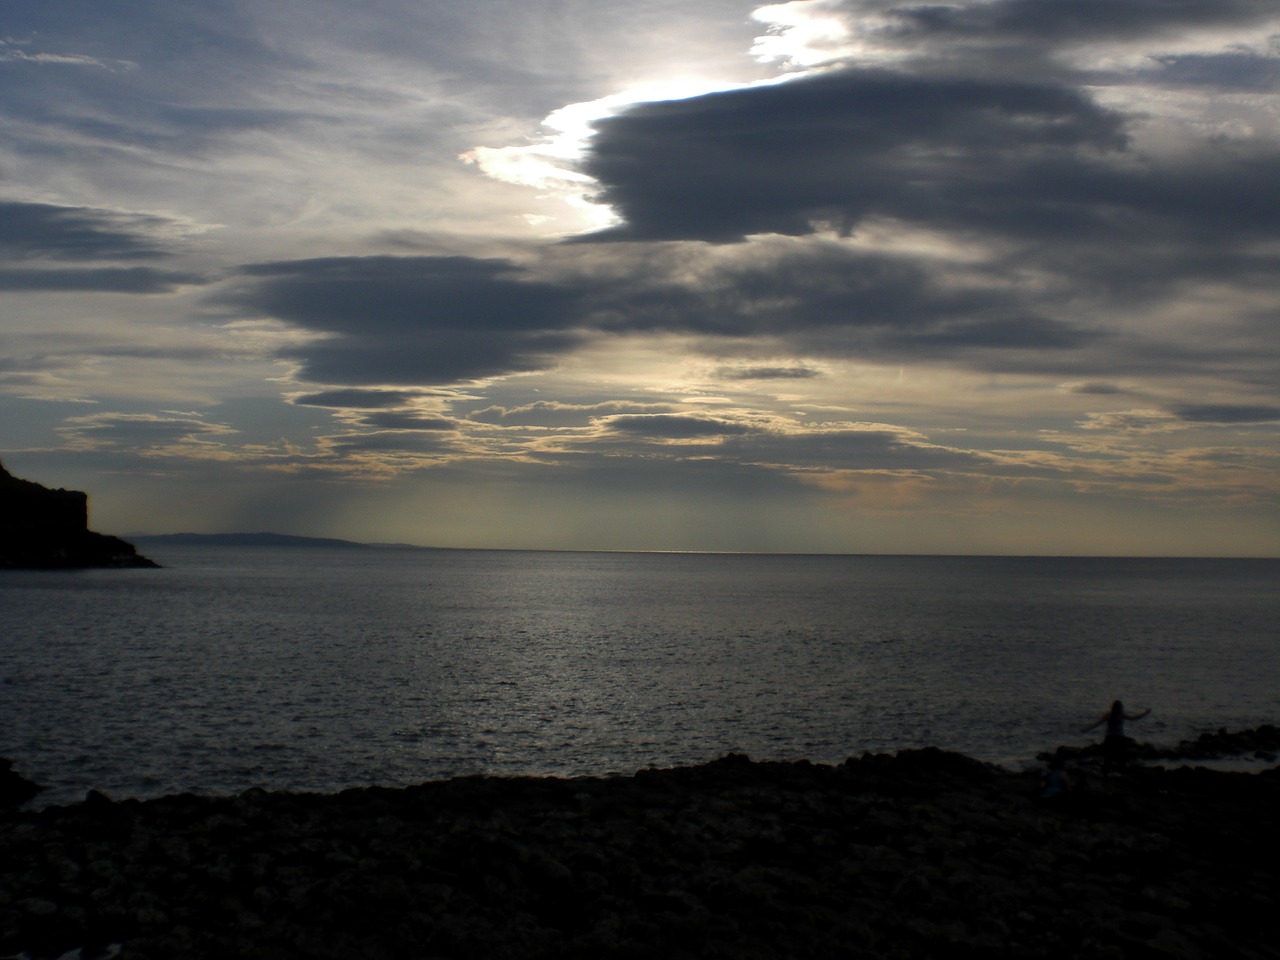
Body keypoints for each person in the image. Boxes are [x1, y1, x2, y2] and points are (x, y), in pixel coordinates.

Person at [1083, 700, 1150, 774]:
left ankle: (1105, 774)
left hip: (1110, 738)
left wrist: (1087, 729)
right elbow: (1134, 718)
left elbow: (1097, 723)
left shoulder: (1108, 715)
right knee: (1121, 758)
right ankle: (1121, 774)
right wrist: (1145, 712)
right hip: (1119, 738)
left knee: (1108, 758)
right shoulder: (1121, 715)